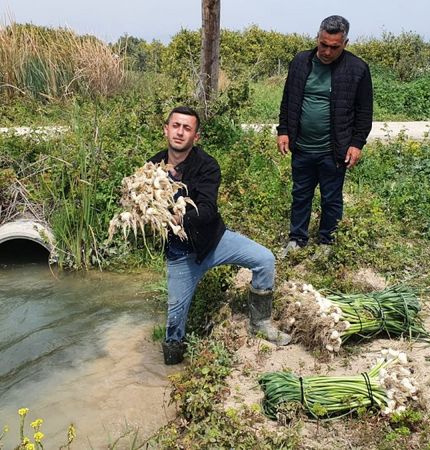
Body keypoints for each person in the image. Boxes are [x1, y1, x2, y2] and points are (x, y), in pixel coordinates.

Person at [150, 106, 291, 365]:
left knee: (265, 259)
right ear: (166, 129)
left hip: (215, 241)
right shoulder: (152, 167)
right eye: (176, 126)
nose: (180, 132)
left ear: (196, 137)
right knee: (172, 329)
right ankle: (173, 366)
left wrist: (178, 216)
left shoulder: (207, 165)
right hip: (180, 254)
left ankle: (260, 323)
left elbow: (207, 210)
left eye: (187, 128)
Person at [277, 15, 373, 257]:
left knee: (331, 198)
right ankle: (297, 239)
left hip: (334, 149)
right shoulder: (300, 61)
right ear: (317, 38)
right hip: (302, 146)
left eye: (334, 47)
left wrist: (357, 143)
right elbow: (288, 98)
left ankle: (326, 242)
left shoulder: (357, 69)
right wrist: (284, 130)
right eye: (323, 44)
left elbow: (364, 111)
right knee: (300, 194)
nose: (327, 51)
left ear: (345, 43)